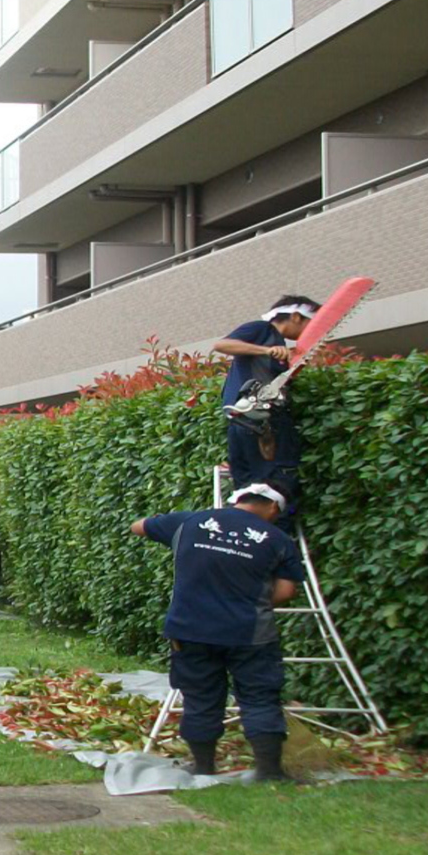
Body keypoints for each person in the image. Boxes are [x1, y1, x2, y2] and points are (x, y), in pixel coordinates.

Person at [130, 482, 305, 781]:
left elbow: (138, 527)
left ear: (236, 500)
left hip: (190, 629)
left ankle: (203, 766)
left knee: (200, 696)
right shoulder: (278, 539)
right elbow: (287, 591)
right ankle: (269, 771)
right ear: (274, 508)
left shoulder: (189, 521)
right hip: (250, 634)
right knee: (259, 696)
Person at [210, 295, 319, 524]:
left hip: (243, 423)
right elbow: (222, 345)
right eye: (312, 322)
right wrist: (266, 351)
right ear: (296, 317)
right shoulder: (263, 331)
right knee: (275, 487)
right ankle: (272, 545)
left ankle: (244, 540)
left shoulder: (278, 348)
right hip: (262, 424)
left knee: (249, 489)